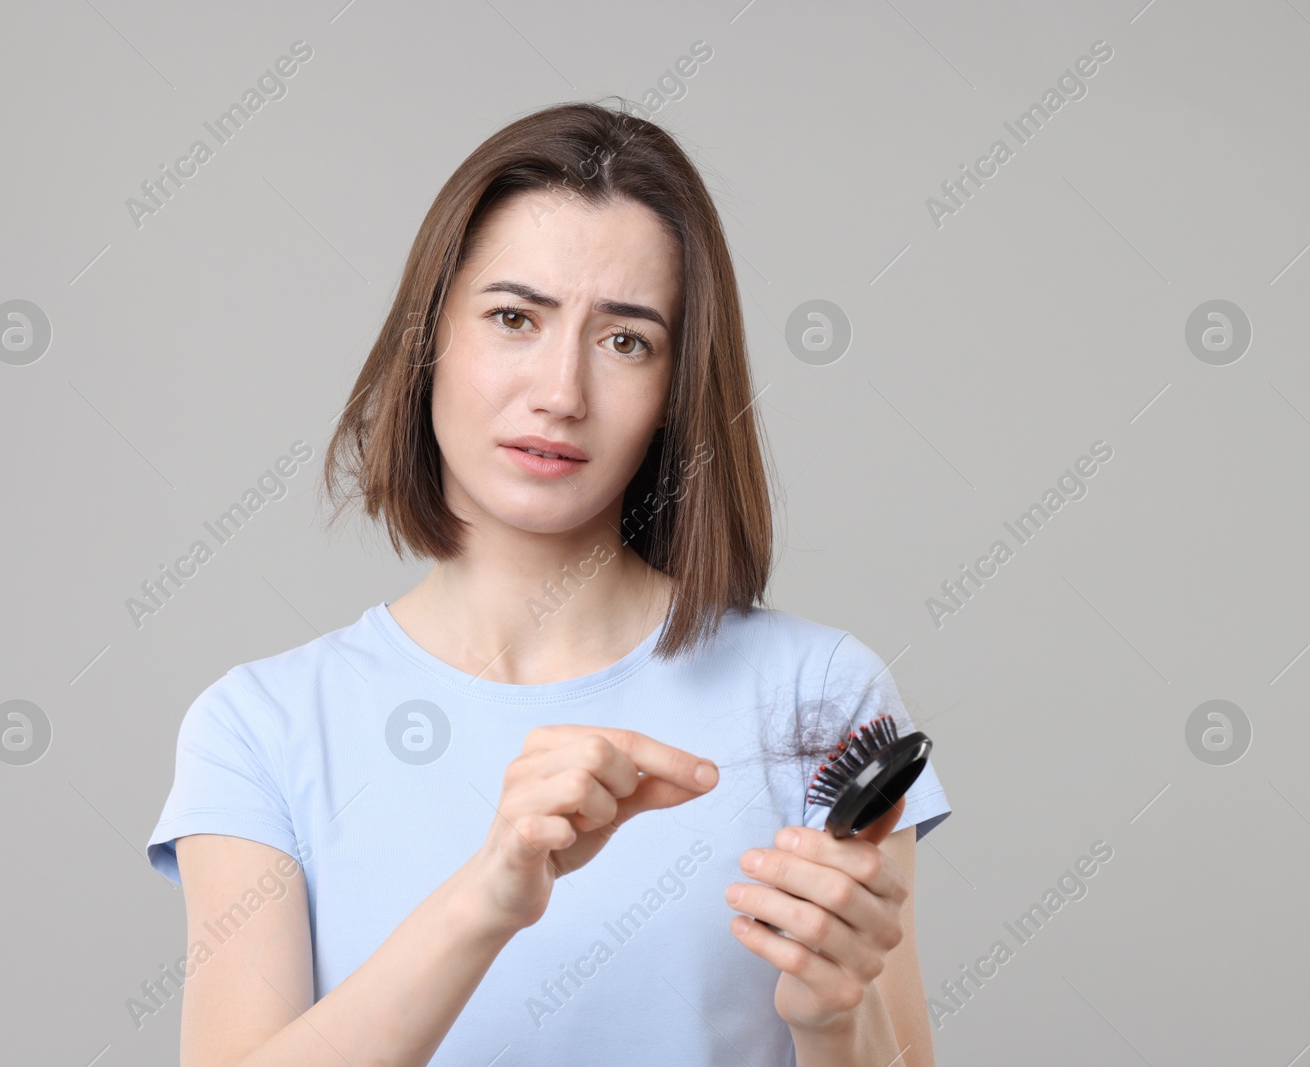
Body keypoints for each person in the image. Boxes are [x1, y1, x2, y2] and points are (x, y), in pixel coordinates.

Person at [145, 99, 951, 1067]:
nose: (560, 392)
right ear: (428, 338)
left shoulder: (815, 694)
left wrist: (829, 1019)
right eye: (514, 317)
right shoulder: (261, 728)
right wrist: (487, 897)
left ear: (672, 393)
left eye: (625, 341)